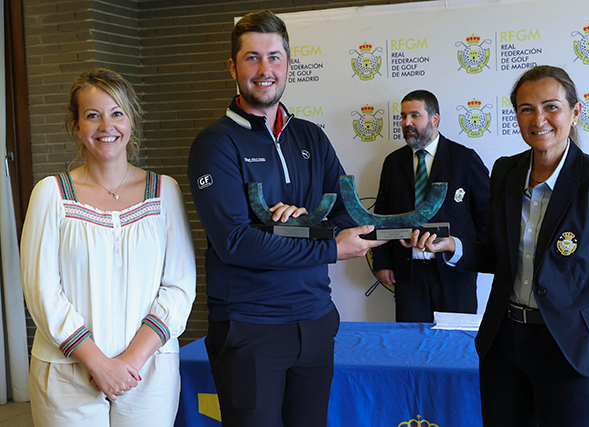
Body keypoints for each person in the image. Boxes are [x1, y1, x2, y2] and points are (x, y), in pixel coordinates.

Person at [409, 65, 589, 426]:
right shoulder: (506, 172)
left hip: (572, 351)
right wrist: (453, 246)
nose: (538, 119)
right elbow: (501, 255)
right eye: (526, 109)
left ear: (575, 112)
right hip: (505, 345)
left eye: (551, 107)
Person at [187, 10, 383, 427]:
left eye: (274, 57)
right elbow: (235, 242)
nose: (265, 70)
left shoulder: (311, 136)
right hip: (250, 328)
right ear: (233, 67)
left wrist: (306, 222)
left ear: (289, 64)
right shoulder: (215, 144)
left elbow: (347, 212)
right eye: (252, 58)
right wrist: (327, 247)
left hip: (315, 320)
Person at [20, 68, 196, 427]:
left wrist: (129, 363)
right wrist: (98, 364)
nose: (106, 126)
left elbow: (179, 287)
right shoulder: (51, 194)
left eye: (117, 113)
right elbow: (41, 291)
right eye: (92, 115)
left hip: (148, 370)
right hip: (67, 374)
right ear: (76, 126)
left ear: (131, 120)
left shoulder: (164, 191)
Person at [372, 90, 490, 322]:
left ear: (435, 119)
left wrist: (478, 257)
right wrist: (382, 262)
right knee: (411, 341)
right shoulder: (393, 163)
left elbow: (486, 215)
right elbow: (382, 215)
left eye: (415, 115)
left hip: (456, 274)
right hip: (408, 275)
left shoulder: (464, 159)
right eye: (403, 116)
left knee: (455, 341)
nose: (406, 123)